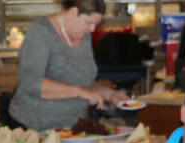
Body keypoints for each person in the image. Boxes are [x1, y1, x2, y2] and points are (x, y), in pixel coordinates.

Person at [7, 0, 128, 132]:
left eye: (96, 24)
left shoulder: (84, 35)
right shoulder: (41, 31)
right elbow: (30, 82)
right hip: (33, 127)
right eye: (89, 22)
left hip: (71, 128)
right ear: (73, 12)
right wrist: (79, 91)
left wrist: (109, 94)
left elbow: (81, 81)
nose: (92, 29)